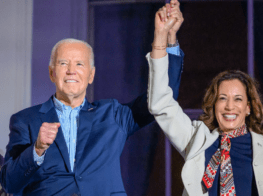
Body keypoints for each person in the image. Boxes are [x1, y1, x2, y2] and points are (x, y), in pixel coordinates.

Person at [0, 1, 184, 195]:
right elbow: (10, 184)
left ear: (91, 75)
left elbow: (164, 96)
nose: (71, 71)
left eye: (79, 64)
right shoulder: (25, 120)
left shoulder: (113, 115)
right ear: (52, 73)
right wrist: (36, 150)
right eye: (63, 63)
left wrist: (166, 38)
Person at [147, 3, 263, 196]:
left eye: (238, 99)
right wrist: (161, 36)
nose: (229, 106)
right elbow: (160, 104)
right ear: (214, 105)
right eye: (222, 98)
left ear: (248, 107)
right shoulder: (198, 140)